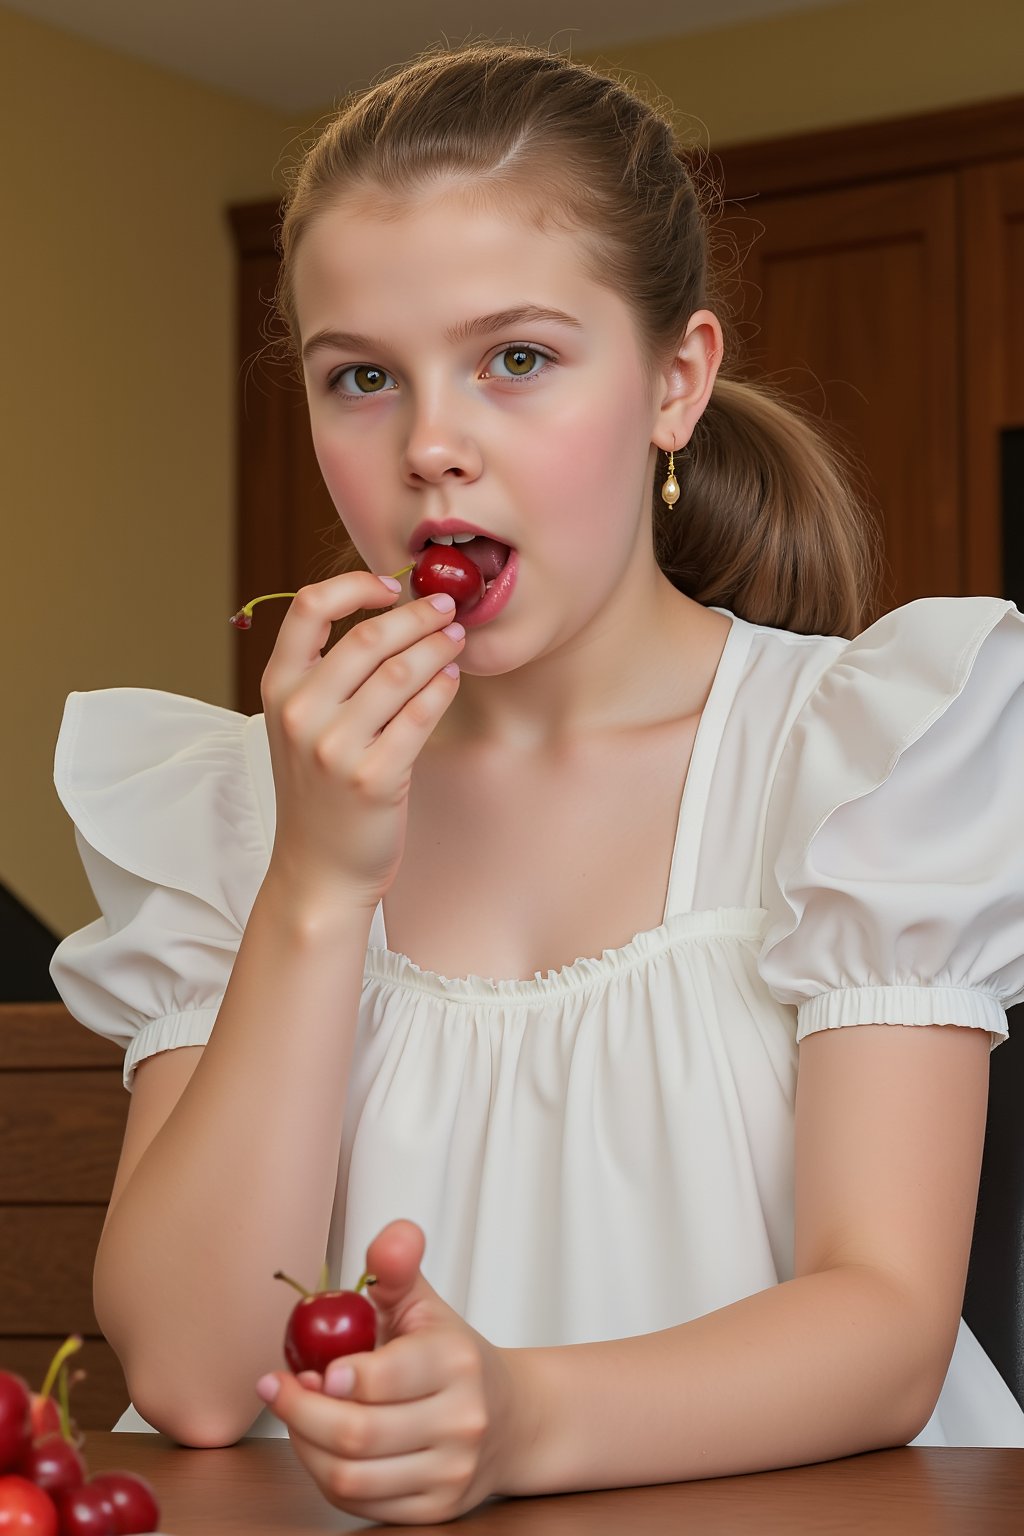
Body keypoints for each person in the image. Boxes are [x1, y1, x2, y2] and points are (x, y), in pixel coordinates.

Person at [49, 40, 1024, 1527]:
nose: (433, 446)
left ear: (675, 383)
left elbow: (886, 1328)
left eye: (518, 358)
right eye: (362, 377)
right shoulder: (249, 807)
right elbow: (192, 1376)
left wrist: (523, 1418)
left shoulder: (856, 761)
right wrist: (317, 885)